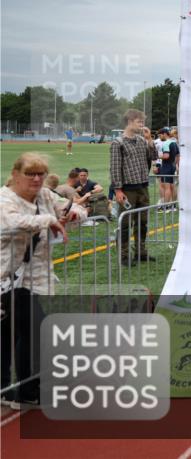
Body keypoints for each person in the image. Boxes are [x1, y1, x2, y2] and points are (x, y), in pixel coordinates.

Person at [1, 153, 84, 408]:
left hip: (35, 276)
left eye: (41, 174)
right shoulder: (5, 199)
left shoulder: (45, 196)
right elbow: (13, 222)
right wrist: (48, 220)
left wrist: (74, 214)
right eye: (30, 174)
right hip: (6, 276)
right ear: (15, 174)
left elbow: (72, 208)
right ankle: (18, 390)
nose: (37, 179)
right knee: (16, 332)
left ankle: (25, 390)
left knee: (28, 331)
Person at [109, 110, 158, 264]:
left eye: (143, 122)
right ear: (130, 121)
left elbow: (154, 157)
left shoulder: (142, 140)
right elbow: (115, 168)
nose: (142, 125)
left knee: (142, 222)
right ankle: (124, 256)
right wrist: (118, 190)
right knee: (125, 224)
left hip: (143, 187)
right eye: (139, 122)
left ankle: (140, 252)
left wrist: (149, 139)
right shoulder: (118, 143)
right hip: (127, 189)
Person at [154, 128, 180, 205]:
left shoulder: (166, 143)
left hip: (166, 166)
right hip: (172, 166)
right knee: (172, 186)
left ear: (165, 134)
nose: (159, 138)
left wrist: (156, 156)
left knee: (166, 187)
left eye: (160, 135)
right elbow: (178, 155)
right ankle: (173, 205)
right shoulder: (174, 142)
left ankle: (165, 206)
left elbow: (166, 156)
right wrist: (174, 164)